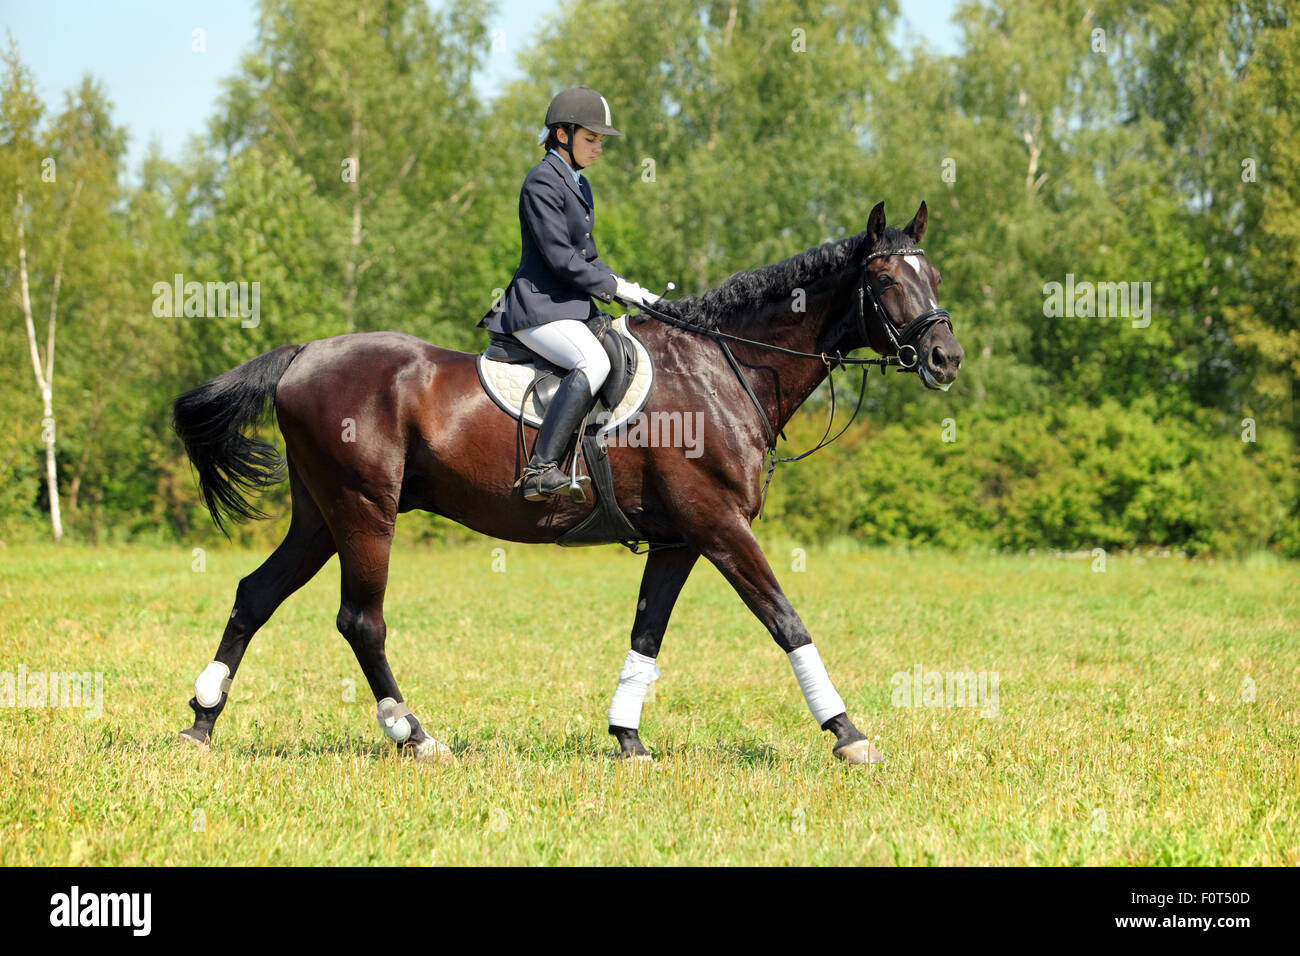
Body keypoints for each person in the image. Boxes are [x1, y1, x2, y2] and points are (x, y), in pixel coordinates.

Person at [482, 85, 661, 501]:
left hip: (567, 309)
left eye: (600, 141)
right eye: (591, 139)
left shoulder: (579, 184)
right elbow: (561, 259)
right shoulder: (541, 181)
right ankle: (539, 470)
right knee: (593, 361)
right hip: (536, 309)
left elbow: (588, 257)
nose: (599, 148)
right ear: (562, 135)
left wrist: (631, 290)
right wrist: (613, 288)